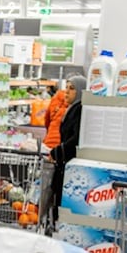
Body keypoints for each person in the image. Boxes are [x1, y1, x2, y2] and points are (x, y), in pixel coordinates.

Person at [48, 77, 88, 223]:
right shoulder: (73, 108)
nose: (67, 92)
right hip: (65, 163)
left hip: (70, 165)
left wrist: (57, 152)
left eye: (72, 88)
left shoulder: (80, 110)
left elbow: (76, 138)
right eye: (67, 87)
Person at [42, 86, 68, 151]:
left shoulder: (56, 97)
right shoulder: (76, 105)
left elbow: (47, 119)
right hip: (62, 146)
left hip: (49, 143)